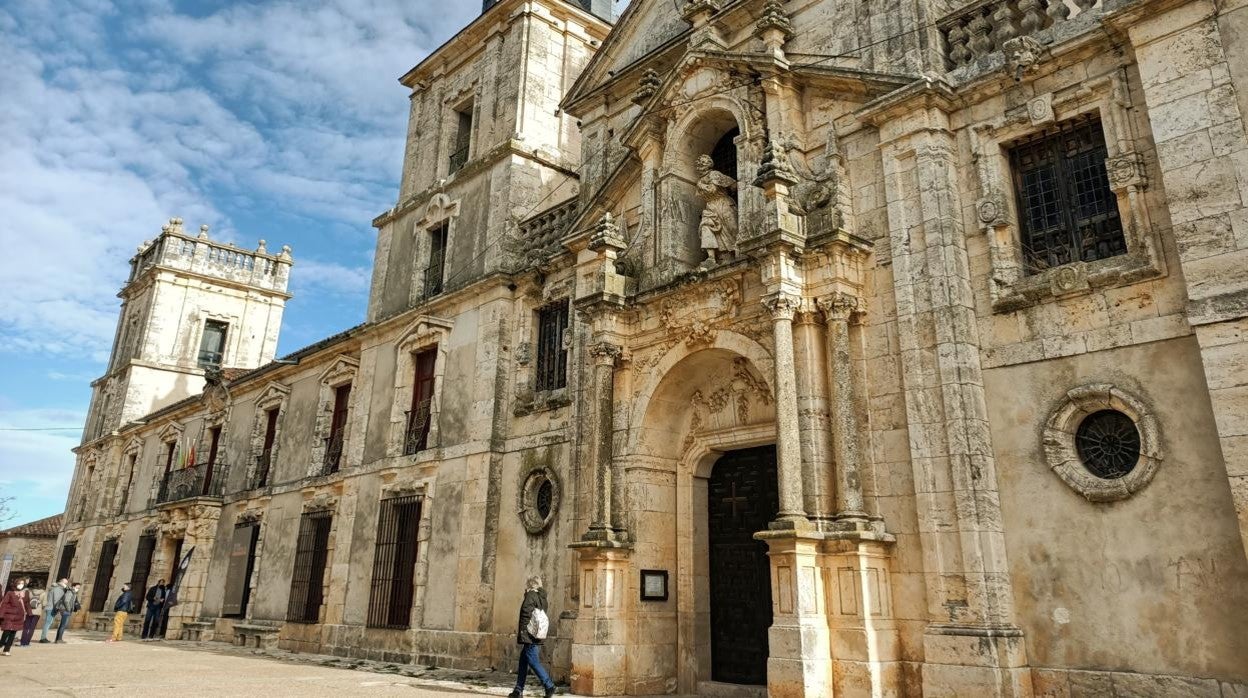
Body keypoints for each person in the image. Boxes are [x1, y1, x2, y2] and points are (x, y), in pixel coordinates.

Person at [509, 575, 555, 698]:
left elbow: (526, 613)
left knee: (533, 660)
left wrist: (523, 632)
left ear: (531, 584)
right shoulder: (542, 597)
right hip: (538, 633)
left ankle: (549, 685)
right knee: (523, 660)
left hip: (530, 634)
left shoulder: (531, 595)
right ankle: (518, 690)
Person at [0, 581, 28, 656]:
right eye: (19, 583)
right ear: (15, 584)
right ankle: (1, 644)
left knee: (13, 634)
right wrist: (1, 614)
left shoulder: (24, 594)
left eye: (22, 583)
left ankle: (7, 650)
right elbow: (4, 603)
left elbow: (26, 604)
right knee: (6, 632)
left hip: (19, 616)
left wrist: (29, 612)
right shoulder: (10, 593)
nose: (21, 585)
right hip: (10, 615)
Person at [39, 578, 69, 643]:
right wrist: (58, 608)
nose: (66, 584)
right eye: (65, 583)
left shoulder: (55, 588)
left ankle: (43, 637)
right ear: (61, 582)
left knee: (48, 623)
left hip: (50, 607)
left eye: (66, 583)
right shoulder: (58, 589)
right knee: (48, 623)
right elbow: (56, 600)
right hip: (52, 608)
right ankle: (43, 638)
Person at [19, 579, 41, 647]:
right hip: (37, 612)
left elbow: (25, 600)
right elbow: (44, 603)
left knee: (26, 627)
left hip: (29, 610)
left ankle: (22, 642)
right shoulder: (43, 592)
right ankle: (27, 642)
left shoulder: (28, 591)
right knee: (32, 628)